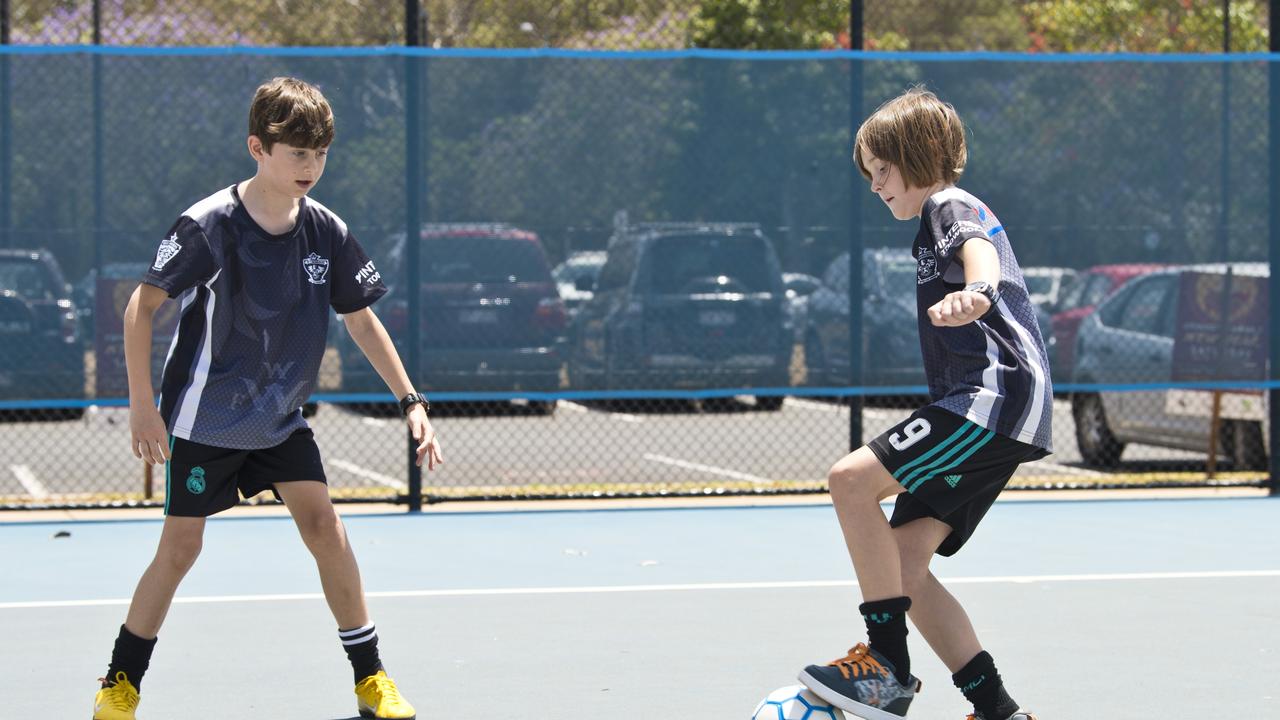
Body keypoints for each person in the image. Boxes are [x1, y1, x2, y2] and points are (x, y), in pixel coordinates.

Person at [91, 76, 441, 720]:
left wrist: (411, 400)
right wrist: (143, 407)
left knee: (325, 529)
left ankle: (372, 680)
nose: (310, 167)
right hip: (205, 421)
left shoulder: (326, 231)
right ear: (258, 147)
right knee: (179, 551)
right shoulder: (209, 226)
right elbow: (141, 308)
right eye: (296, 153)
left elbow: (361, 319)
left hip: (280, 423)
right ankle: (120, 683)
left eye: (320, 154)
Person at [796, 87, 1050, 720]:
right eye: (870, 175)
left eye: (882, 170)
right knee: (904, 565)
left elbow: (979, 252)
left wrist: (980, 290)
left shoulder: (947, 203)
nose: (876, 185)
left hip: (992, 398)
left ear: (915, 155)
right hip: (1003, 404)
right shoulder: (933, 220)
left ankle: (885, 667)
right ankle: (998, 710)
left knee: (850, 482)